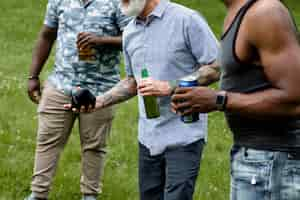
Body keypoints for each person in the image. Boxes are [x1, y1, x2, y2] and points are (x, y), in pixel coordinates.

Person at [67, 0, 219, 199]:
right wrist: (99, 101)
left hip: (184, 134)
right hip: (148, 138)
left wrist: (171, 86)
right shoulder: (130, 31)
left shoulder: (186, 20)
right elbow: (133, 82)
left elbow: (217, 66)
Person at [171, 0, 300, 199]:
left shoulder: (265, 13)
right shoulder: (236, 11)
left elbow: (294, 99)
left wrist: (218, 100)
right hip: (254, 157)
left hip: (274, 162)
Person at [25, 0, 131, 199]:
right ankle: (38, 194)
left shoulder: (119, 3)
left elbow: (135, 37)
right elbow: (47, 35)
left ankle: (89, 195)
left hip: (101, 89)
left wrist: (102, 41)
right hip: (61, 84)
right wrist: (33, 76)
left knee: (94, 146)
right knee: (47, 141)